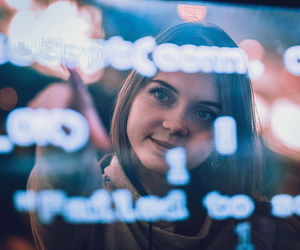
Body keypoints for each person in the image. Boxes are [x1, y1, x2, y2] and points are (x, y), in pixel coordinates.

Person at [27, 22, 300, 250]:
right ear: (132, 95)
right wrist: (65, 127)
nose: (176, 124)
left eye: (205, 114)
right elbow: (60, 190)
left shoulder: (265, 233)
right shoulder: (88, 210)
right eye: (161, 94)